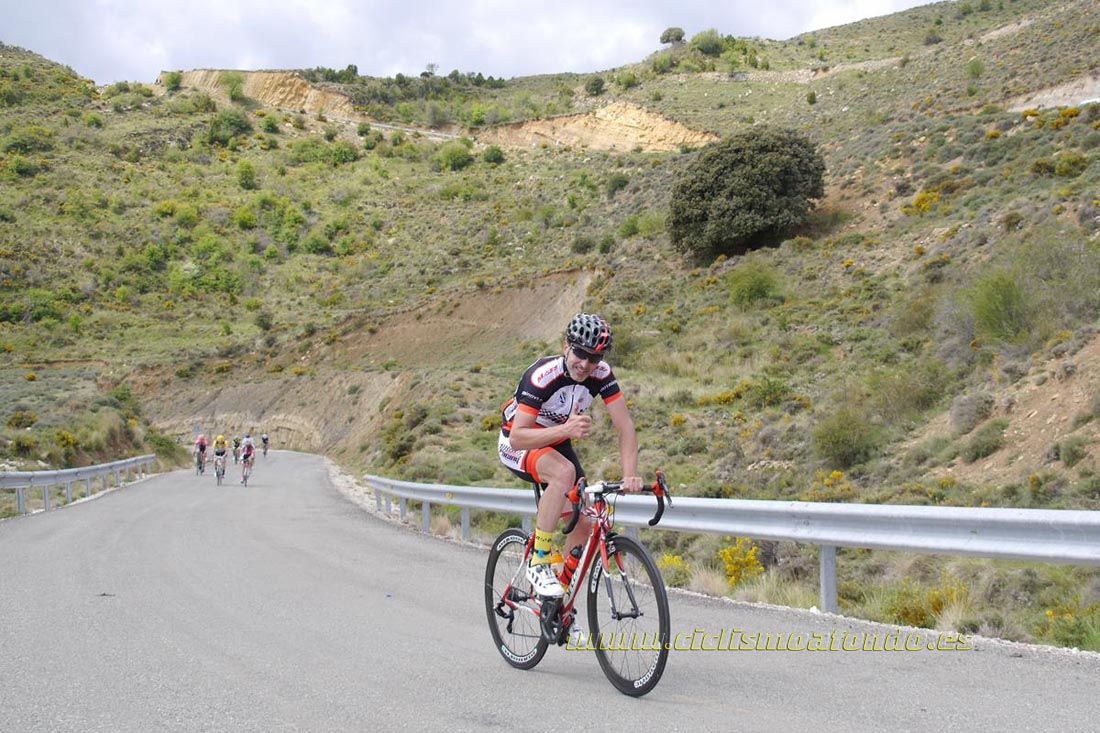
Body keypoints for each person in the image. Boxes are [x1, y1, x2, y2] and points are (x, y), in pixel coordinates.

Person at [498, 313, 640, 599]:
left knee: (584, 524)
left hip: (559, 440)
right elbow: (518, 437)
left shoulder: (601, 375)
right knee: (563, 473)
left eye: (594, 358)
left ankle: (557, 602)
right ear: (566, 346)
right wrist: (567, 428)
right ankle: (538, 561)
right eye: (580, 354)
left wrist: (629, 474)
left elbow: (625, 427)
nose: (585, 364)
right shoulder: (542, 376)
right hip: (519, 440)